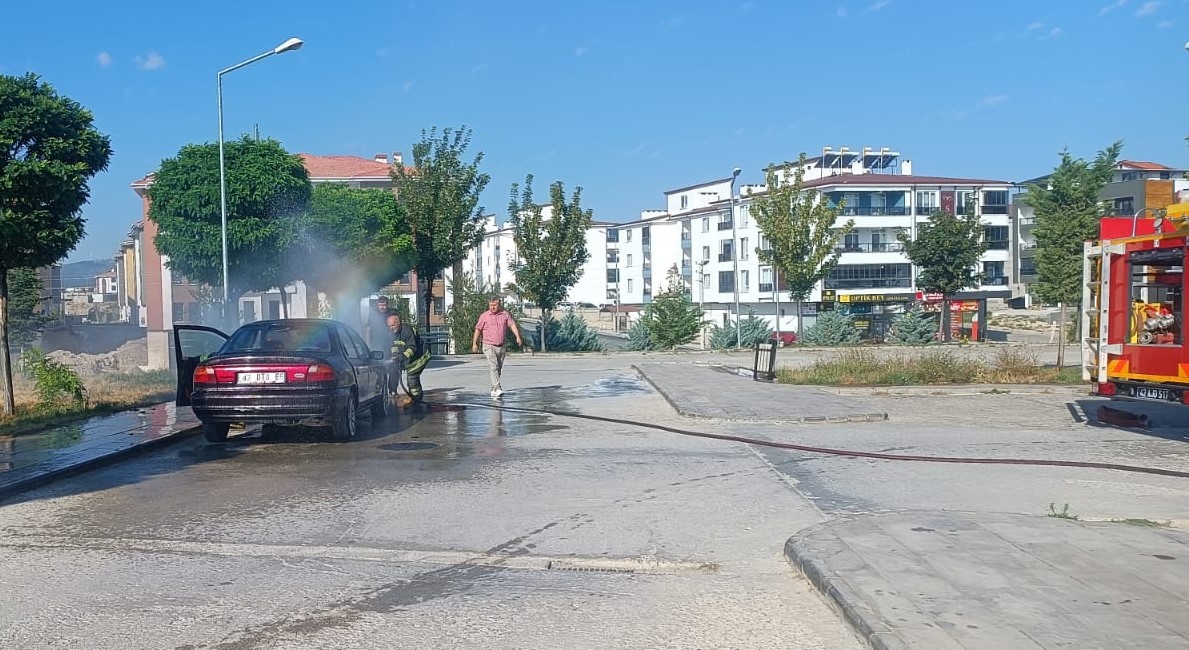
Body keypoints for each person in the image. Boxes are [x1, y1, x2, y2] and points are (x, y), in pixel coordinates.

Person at [471, 295, 525, 398]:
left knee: (498, 368)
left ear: (499, 305)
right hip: (488, 345)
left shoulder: (505, 315)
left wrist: (517, 336)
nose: (493, 307)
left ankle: (494, 388)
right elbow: (478, 329)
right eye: (491, 305)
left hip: (501, 346)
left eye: (495, 305)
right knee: (493, 365)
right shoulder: (484, 316)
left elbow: (512, 325)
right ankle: (498, 387)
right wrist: (475, 343)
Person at [388, 313, 431, 402]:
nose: (390, 328)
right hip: (410, 359)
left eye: (392, 325)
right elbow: (394, 346)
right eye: (389, 326)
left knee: (412, 377)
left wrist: (402, 357)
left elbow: (412, 347)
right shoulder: (392, 333)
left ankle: (417, 398)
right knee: (398, 373)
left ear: (398, 323)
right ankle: (411, 396)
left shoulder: (407, 331)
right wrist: (394, 355)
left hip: (420, 357)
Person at [365, 295, 395, 362]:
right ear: (377, 305)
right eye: (380, 305)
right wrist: (367, 343)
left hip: (389, 342)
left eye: (384, 305)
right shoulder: (373, 314)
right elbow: (368, 329)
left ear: (387, 305)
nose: (382, 307)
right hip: (375, 341)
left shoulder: (392, 313)